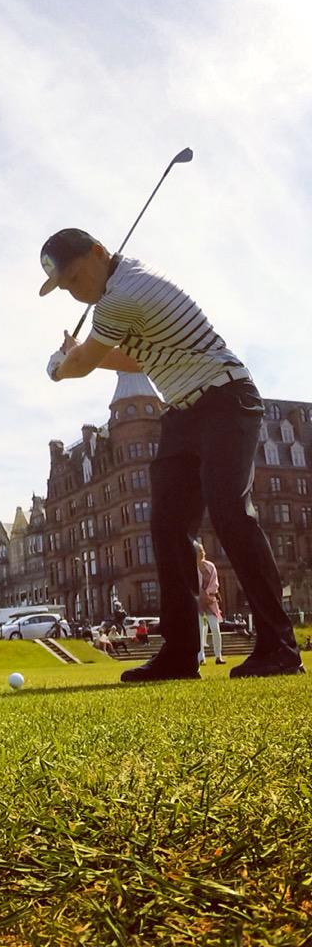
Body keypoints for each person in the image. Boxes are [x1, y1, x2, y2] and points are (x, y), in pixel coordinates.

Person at [39, 228, 303, 681]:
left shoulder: (123, 293)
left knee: (229, 512)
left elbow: (81, 366)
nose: (75, 291)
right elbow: (141, 359)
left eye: (76, 277)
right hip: (184, 411)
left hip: (226, 398)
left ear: (100, 253)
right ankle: (180, 656)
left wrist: (61, 367)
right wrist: (79, 355)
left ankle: (280, 647)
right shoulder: (120, 296)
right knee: (165, 528)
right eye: (66, 287)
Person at [196, 542, 226, 665]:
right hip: (198, 602)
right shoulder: (192, 568)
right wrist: (200, 595)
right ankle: (201, 657)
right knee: (201, 630)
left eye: (200, 551)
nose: (199, 554)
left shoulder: (210, 566)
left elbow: (215, 583)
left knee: (215, 628)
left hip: (210, 601)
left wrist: (207, 594)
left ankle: (218, 656)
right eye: (197, 552)